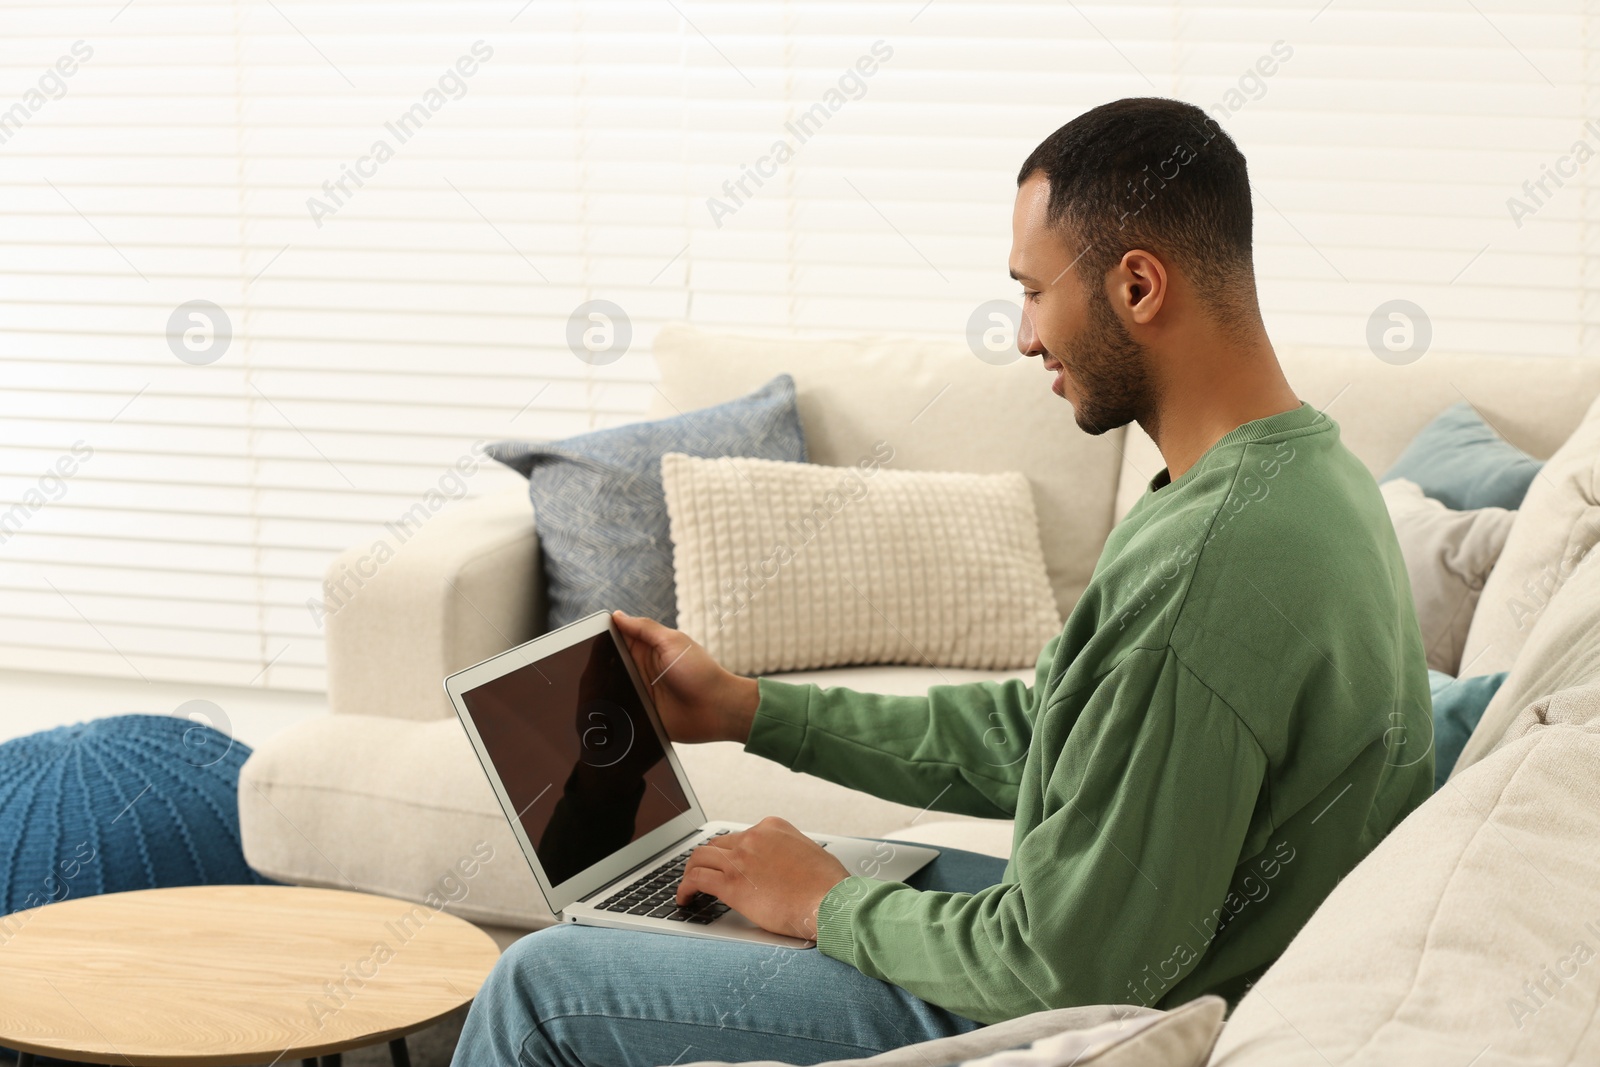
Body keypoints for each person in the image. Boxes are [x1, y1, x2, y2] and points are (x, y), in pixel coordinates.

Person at [451, 96, 1433, 1066]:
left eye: (1034, 289)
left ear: (1137, 286)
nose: (1022, 335)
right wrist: (749, 708)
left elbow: (1066, 966)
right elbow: (1042, 729)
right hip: (1153, 946)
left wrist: (824, 900)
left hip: (1093, 1005)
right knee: (751, 876)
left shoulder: (1207, 562)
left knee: (538, 983)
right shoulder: (1306, 475)